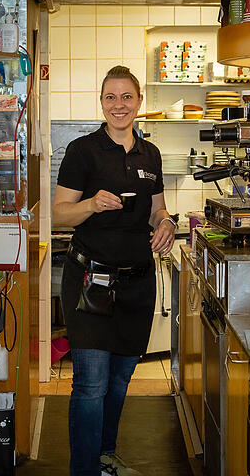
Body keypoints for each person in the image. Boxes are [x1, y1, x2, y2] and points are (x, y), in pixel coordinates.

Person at [53, 65, 177, 476]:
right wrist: (91, 204)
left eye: (127, 97)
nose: (119, 105)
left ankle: (105, 456)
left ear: (139, 102)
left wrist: (166, 224)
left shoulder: (151, 154)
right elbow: (59, 214)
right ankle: (84, 470)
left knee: (121, 378)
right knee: (91, 384)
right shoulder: (82, 151)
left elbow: (157, 209)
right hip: (91, 281)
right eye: (111, 97)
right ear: (102, 103)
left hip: (137, 282)